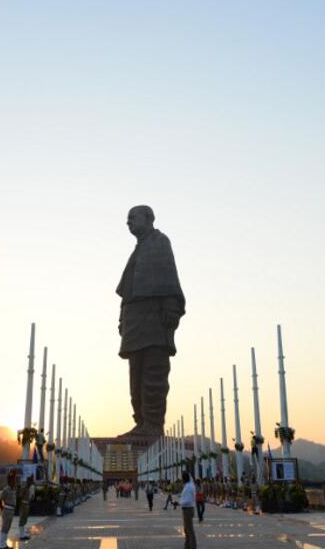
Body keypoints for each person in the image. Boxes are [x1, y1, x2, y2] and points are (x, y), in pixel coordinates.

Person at [116, 205, 185, 437]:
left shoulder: (160, 243)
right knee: (135, 378)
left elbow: (169, 278)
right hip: (134, 322)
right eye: (127, 218)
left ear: (148, 218)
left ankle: (153, 425)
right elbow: (127, 292)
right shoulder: (138, 249)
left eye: (132, 217)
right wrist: (122, 319)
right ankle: (141, 423)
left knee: (153, 375)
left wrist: (171, 308)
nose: (128, 222)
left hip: (154, 319)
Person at [0, 471, 18, 546]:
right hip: (7, 510)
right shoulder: (6, 490)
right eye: (12, 480)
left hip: (11, 510)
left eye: (14, 480)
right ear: (9, 481)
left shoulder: (13, 489)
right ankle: (2, 545)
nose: (14, 482)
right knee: (5, 527)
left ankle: (4, 544)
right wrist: (2, 508)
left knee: (8, 527)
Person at [179, 471, 197, 549]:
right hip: (187, 509)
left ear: (184, 479)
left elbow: (188, 500)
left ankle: (192, 546)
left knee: (189, 530)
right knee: (186, 530)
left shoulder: (189, 487)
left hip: (188, 510)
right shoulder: (188, 486)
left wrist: (180, 502)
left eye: (182, 478)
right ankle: (187, 546)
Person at [18, 476, 34, 540]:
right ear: (28, 481)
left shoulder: (27, 488)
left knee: (25, 519)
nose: (31, 484)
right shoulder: (24, 487)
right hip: (23, 505)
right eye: (30, 482)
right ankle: (21, 535)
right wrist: (21, 505)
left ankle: (23, 533)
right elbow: (20, 496)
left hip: (26, 505)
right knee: (22, 519)